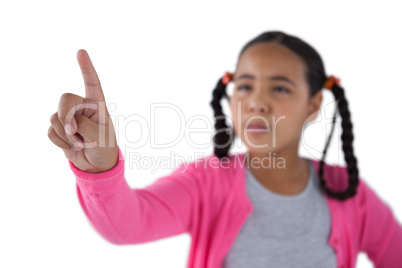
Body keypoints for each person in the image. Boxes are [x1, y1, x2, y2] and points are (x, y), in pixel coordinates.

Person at [48, 31, 402, 268]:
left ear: (313, 105)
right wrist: (102, 168)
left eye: (279, 89)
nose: (256, 102)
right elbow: (128, 225)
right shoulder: (206, 182)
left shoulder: (350, 193)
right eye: (245, 86)